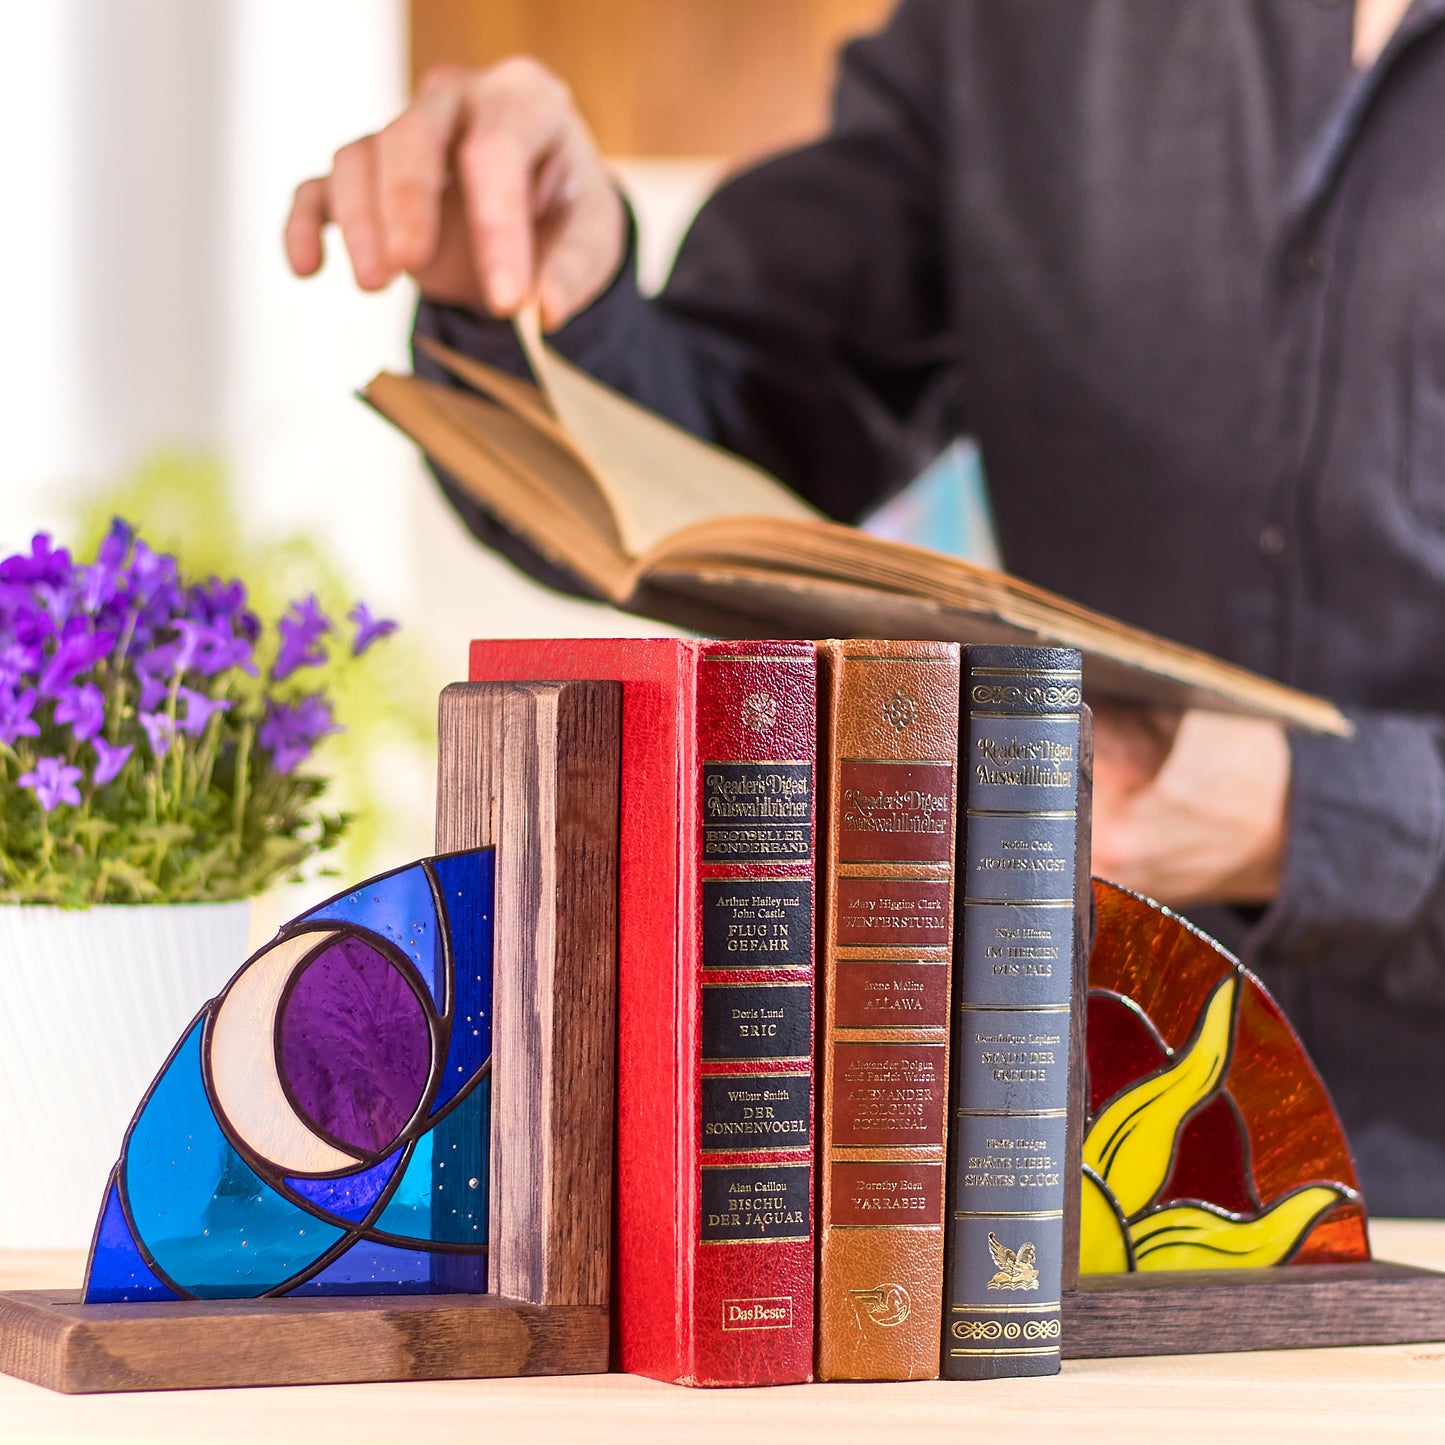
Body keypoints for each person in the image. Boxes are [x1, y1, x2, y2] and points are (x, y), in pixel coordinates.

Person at [286, 0, 1445, 1214]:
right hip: (1093, 1192)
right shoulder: (1015, 31)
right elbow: (739, 437)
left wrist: (1312, 821)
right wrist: (533, 298)